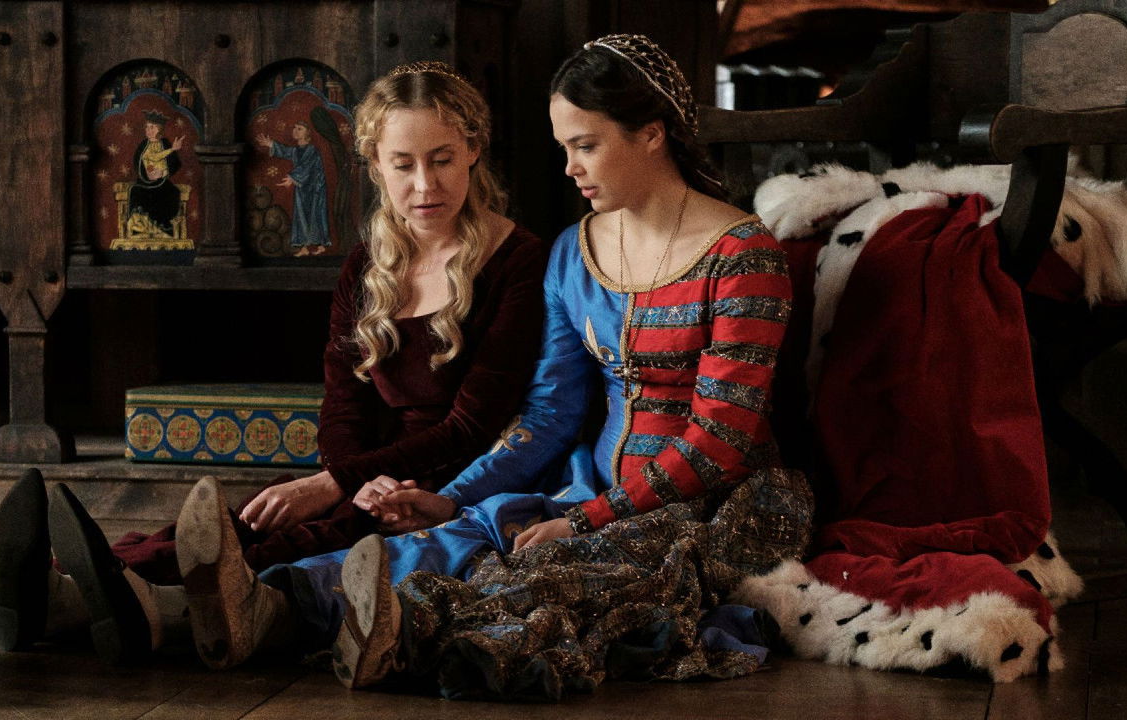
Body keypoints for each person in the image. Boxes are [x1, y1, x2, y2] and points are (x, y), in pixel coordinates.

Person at [174, 35, 813, 700]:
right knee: (466, 531)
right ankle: (269, 608)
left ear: (651, 134)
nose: (569, 167)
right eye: (563, 147)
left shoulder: (742, 254)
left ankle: (388, 638)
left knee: (551, 570)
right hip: (590, 484)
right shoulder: (575, 251)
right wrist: (452, 497)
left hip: (719, 503)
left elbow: (717, 444)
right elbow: (551, 413)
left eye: (585, 146)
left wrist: (588, 518)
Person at [0, 61, 548, 664]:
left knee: (308, 541)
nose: (424, 185)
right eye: (403, 165)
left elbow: (473, 424)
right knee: (249, 522)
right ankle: (58, 591)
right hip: (363, 468)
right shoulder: (369, 262)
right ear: (374, 164)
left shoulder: (516, 259)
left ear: (473, 150)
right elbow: (343, 402)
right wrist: (339, 476)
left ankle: (102, 603)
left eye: (441, 160)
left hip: (451, 474)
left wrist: (337, 485)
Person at [256, 121, 332, 256]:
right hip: (302, 188)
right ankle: (304, 248)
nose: (295, 130)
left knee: (315, 215)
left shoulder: (312, 150)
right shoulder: (296, 150)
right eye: (295, 128)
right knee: (301, 216)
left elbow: (307, 166)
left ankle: (321, 245)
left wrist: (292, 178)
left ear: (307, 133)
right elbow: (286, 151)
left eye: (300, 128)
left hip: (315, 189)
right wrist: (271, 144)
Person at [127, 111, 185, 237]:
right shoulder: (143, 145)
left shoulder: (165, 143)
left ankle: (164, 228)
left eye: (152, 127)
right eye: (147, 127)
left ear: (159, 129)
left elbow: (175, 163)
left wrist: (163, 173)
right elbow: (140, 161)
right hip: (144, 183)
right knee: (135, 191)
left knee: (173, 192)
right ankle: (140, 227)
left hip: (162, 182)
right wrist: (147, 174)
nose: (148, 130)